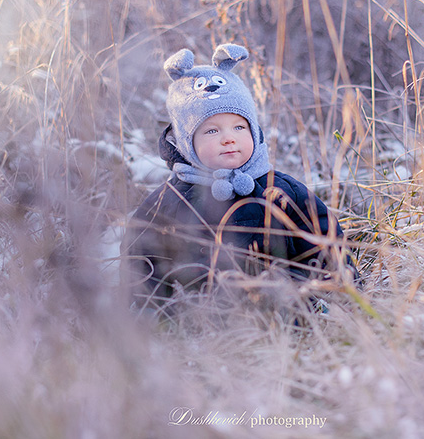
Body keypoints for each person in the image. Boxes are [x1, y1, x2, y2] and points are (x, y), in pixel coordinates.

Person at [121, 43, 359, 315]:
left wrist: (346, 290)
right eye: (211, 131)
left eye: (239, 127)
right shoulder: (170, 201)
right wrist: (148, 313)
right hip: (202, 320)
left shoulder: (282, 191)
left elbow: (323, 241)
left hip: (287, 314)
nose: (228, 138)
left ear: (254, 131)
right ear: (187, 144)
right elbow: (140, 261)